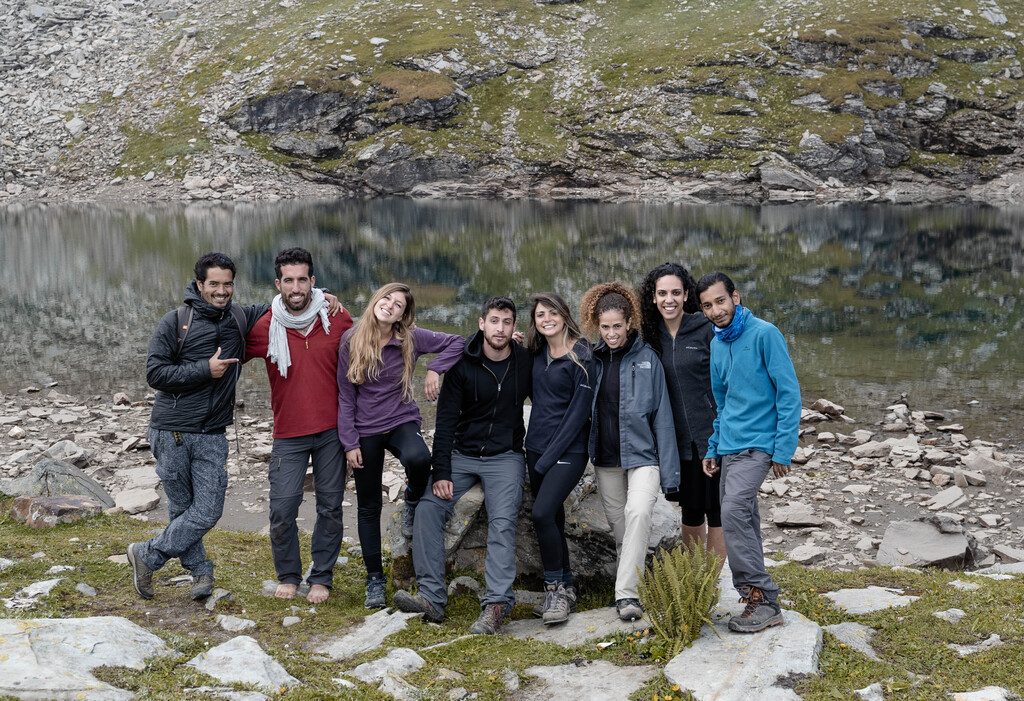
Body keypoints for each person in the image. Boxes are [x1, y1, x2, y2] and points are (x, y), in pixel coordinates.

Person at [128, 252, 271, 601]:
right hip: (171, 430)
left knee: (207, 510)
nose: (221, 291)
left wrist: (322, 293)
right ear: (199, 285)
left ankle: (148, 554)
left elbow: (281, 302)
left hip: (212, 434)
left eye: (227, 284)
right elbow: (155, 374)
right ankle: (201, 573)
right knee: (182, 507)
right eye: (214, 284)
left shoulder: (240, 316)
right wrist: (205, 370)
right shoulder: (175, 321)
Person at [393, 296, 532, 634]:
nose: (500, 328)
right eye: (494, 321)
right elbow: (446, 423)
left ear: (515, 327)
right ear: (481, 323)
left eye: (507, 322)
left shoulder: (526, 362)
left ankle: (496, 606)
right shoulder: (462, 365)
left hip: (505, 457)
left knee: (502, 520)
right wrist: (440, 472)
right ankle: (431, 598)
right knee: (428, 507)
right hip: (462, 456)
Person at [337, 282, 465, 610]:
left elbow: (458, 342)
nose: (390, 306)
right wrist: (350, 442)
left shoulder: (410, 337)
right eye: (387, 299)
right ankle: (375, 580)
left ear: (403, 315)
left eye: (399, 305)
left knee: (420, 458)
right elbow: (346, 395)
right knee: (368, 506)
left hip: (400, 420)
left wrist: (435, 368)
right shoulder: (351, 340)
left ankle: (411, 500)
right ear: (376, 299)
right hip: (365, 430)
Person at [244, 247, 353, 604]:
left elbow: (372, 352)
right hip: (288, 433)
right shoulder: (264, 326)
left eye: (302, 280)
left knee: (330, 508)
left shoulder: (338, 318)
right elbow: (225, 337)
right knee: (282, 508)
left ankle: (321, 576)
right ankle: (289, 575)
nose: (295, 287)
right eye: (288, 280)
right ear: (278, 283)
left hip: (332, 432)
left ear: (313, 282)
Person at [697, 272, 801, 633]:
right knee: (746, 517)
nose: (715, 310)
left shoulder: (765, 334)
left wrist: (783, 449)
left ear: (735, 298)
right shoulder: (716, 344)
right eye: (707, 305)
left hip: (759, 444)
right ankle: (759, 598)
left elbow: (788, 393)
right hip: (729, 447)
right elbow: (722, 402)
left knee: (733, 510)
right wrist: (713, 445)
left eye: (720, 301)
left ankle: (762, 594)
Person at [579, 282, 680, 622]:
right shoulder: (590, 359)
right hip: (605, 460)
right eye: (605, 327)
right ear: (597, 324)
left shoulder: (648, 359)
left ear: (629, 322)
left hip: (643, 457)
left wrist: (672, 476)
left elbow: (663, 418)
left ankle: (625, 596)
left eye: (617, 327)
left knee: (638, 512)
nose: (611, 333)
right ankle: (636, 589)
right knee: (622, 532)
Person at [638, 263, 726, 566]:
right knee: (690, 509)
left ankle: (709, 585)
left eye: (676, 292)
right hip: (675, 439)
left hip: (713, 435)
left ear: (686, 294)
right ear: (652, 297)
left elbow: (733, 369)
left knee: (717, 510)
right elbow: (611, 345)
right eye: (662, 293)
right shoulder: (649, 335)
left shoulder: (706, 328)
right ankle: (693, 578)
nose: (669, 299)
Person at [524, 291, 596, 625]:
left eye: (552, 313)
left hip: (569, 451)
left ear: (564, 315)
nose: (547, 319)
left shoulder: (583, 355)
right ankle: (567, 586)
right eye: (540, 315)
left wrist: (544, 460)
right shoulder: (535, 353)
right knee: (552, 518)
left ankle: (553, 589)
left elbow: (578, 416)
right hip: (536, 447)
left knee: (540, 513)